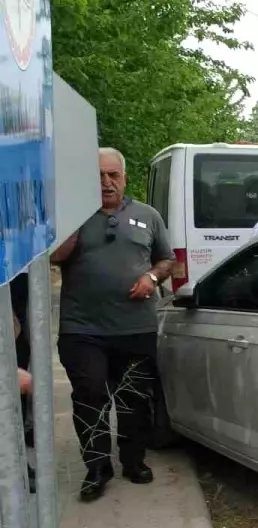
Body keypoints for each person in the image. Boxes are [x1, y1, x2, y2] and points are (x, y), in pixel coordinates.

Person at [51, 148, 175, 501]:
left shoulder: (148, 215)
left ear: (124, 177)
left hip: (135, 326)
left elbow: (167, 261)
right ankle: (97, 467)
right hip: (82, 328)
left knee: (134, 398)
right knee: (90, 395)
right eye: (98, 176)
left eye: (112, 175)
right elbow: (55, 256)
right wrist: (76, 216)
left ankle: (133, 461)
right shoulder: (74, 215)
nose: (106, 182)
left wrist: (151, 277)